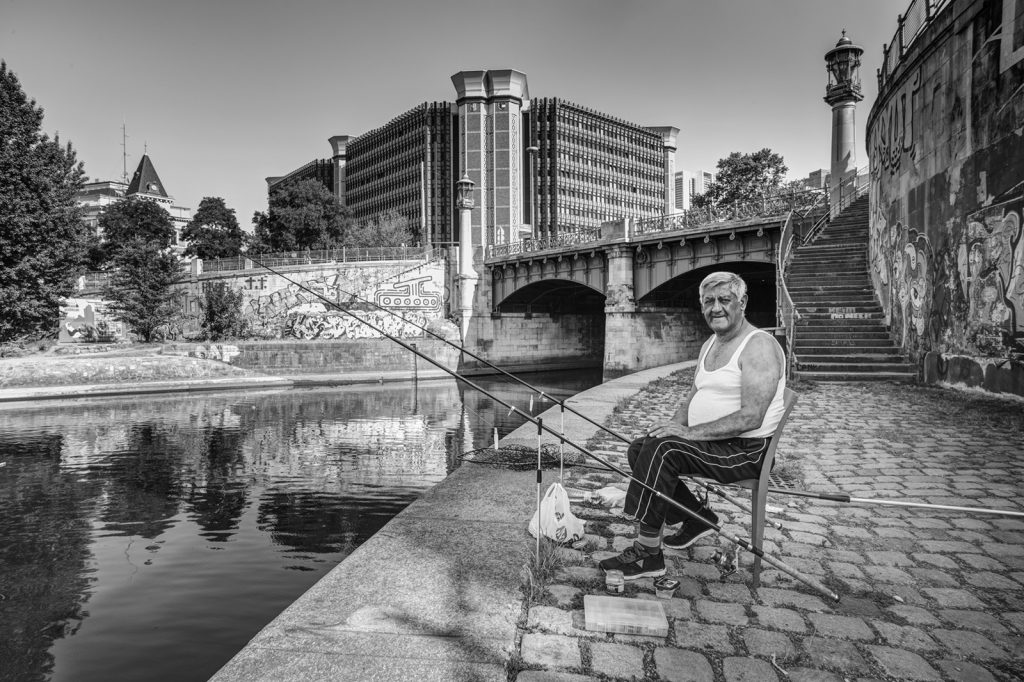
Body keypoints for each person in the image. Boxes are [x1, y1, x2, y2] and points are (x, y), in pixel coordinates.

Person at [599, 271, 787, 580]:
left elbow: (751, 417)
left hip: (747, 451)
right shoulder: (711, 344)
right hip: (715, 444)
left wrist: (687, 434)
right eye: (708, 301)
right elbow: (691, 399)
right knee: (641, 447)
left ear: (742, 303)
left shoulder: (759, 346)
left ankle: (648, 553)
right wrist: (670, 427)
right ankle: (697, 517)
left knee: (664, 450)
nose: (716, 308)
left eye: (724, 300)